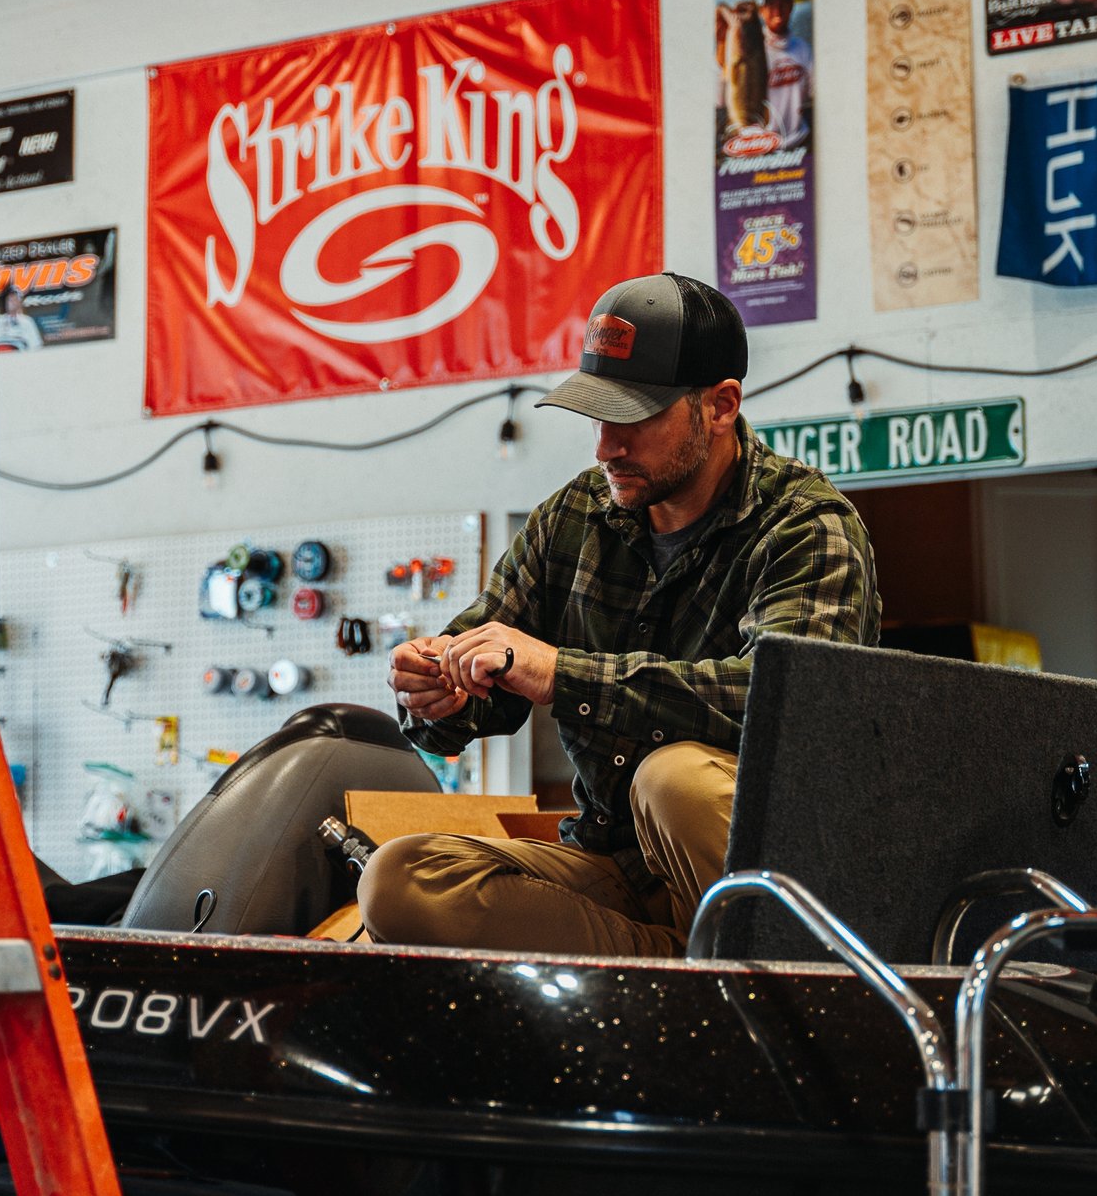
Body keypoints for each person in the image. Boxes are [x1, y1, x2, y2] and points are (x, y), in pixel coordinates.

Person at [358, 273, 880, 957]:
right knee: (397, 880)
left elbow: (785, 706)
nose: (606, 447)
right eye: (598, 417)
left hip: (774, 867)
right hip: (614, 866)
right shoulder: (572, 518)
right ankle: (683, 970)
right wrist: (437, 687)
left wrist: (563, 676)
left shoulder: (807, 528)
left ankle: (750, 964)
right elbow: (486, 659)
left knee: (675, 780)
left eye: (634, 418)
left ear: (720, 407)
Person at [756, 0, 815, 144]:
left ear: (791, 6)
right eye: (772, 4)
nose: (778, 9)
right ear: (763, 10)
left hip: (800, 141)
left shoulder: (803, 48)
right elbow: (721, 100)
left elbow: (816, 92)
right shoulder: (753, 51)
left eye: (783, 3)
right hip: (762, 148)